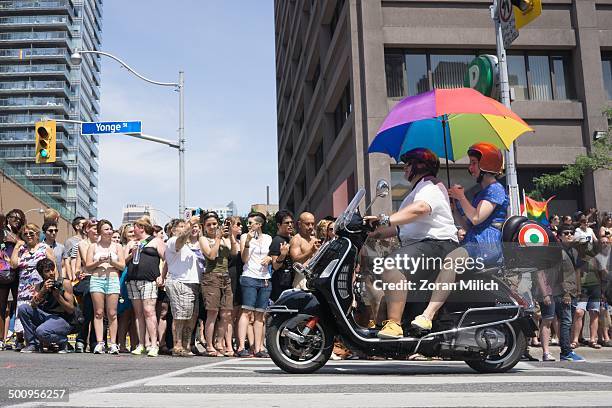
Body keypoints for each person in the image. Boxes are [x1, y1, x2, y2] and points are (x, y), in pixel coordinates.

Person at [366, 148, 458, 339]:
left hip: (438, 244)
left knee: (392, 265)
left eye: (408, 164)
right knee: (384, 298)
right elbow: (399, 229)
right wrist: (370, 231)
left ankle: (394, 325)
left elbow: (421, 209)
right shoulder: (417, 191)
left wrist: (385, 219)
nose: (405, 169)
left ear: (420, 165)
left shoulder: (429, 185)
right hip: (423, 246)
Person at [449, 142, 509, 267]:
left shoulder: (495, 189)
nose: (470, 168)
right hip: (473, 244)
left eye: (474, 163)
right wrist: (455, 209)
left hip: (485, 246)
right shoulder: (482, 193)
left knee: (450, 261)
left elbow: (476, 218)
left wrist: (461, 196)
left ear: (486, 165)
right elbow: (468, 226)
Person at [9, 223, 55, 349]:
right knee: (22, 314)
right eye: (25, 234)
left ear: (37, 234)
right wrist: (17, 247)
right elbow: (13, 265)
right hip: (24, 287)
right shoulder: (22, 250)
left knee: (37, 312)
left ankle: (38, 341)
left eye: (31, 233)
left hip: (40, 286)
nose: (28, 236)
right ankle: (25, 341)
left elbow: (53, 266)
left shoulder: (45, 248)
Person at [125, 216, 166, 357]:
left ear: (142, 228)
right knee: (138, 314)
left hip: (149, 280)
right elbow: (123, 261)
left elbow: (166, 258)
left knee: (149, 311)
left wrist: (162, 275)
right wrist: (131, 253)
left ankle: (154, 344)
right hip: (133, 280)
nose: (133, 229)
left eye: (135, 227)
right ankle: (141, 343)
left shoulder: (156, 241)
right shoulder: (131, 243)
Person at [199, 212, 238, 357]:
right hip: (211, 277)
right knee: (213, 312)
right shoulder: (203, 239)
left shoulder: (224, 238)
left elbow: (234, 253)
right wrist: (217, 238)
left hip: (226, 277)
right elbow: (212, 255)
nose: (212, 226)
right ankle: (209, 345)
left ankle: (219, 343)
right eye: (208, 224)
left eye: (214, 224)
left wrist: (231, 236)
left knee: (227, 313)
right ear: (204, 226)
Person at [161, 217, 201, 357]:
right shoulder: (172, 241)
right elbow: (180, 241)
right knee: (180, 316)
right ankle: (177, 345)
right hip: (180, 282)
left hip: (192, 283)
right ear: (173, 230)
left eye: (186, 226)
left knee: (191, 316)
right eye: (182, 226)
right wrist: (189, 225)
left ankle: (186, 345)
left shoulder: (188, 245)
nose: (185, 228)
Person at [18, 258, 75, 353]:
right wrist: (42, 291)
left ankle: (63, 341)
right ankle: (32, 344)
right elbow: (33, 305)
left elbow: (71, 310)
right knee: (23, 308)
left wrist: (58, 297)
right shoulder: (39, 286)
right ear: (41, 274)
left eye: (52, 269)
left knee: (41, 331)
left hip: (62, 319)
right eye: (47, 271)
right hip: (46, 317)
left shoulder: (65, 283)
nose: (51, 273)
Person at [85, 220, 125, 354]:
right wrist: (98, 261)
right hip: (97, 279)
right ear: (100, 231)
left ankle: (113, 343)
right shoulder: (93, 246)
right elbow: (88, 266)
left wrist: (112, 261)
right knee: (98, 312)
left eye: (111, 229)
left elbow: (122, 266)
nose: (109, 232)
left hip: (113, 278)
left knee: (112, 313)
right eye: (106, 229)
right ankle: (100, 342)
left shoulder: (117, 246)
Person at [236, 212, 272, 358]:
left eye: (251, 223)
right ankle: (240, 347)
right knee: (246, 312)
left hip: (264, 278)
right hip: (249, 277)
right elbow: (244, 259)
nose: (248, 225)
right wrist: (247, 242)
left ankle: (258, 348)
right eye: (248, 223)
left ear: (259, 224)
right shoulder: (245, 237)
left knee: (260, 315)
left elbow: (272, 255)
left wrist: (269, 257)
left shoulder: (268, 238)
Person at [74, 219, 98, 353]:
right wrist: (79, 273)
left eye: (97, 228)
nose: (96, 230)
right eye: (93, 228)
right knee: (89, 306)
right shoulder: (82, 244)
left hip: (101, 278)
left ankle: (95, 340)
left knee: (99, 311)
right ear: (86, 230)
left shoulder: (104, 244)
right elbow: (80, 266)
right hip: (88, 279)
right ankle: (82, 339)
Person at [1, 211, 24, 350]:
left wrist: (16, 241)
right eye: (14, 217)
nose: (17, 220)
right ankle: (0, 339)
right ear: (8, 219)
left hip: (18, 273)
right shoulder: (2, 232)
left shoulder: (22, 234)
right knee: (2, 307)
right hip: (3, 272)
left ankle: (19, 338)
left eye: (20, 219)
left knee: (18, 306)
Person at [289, 212, 320, 289]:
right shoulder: (296, 239)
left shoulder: (315, 240)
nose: (311, 227)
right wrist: (311, 251)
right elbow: (295, 260)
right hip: (302, 280)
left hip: (315, 279)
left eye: (312, 224)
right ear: (299, 224)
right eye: (307, 224)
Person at [269, 210, 294, 302]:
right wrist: (283, 254)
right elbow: (275, 266)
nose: (290, 225)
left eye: (291, 222)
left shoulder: (290, 239)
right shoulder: (277, 241)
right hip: (280, 284)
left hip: (289, 282)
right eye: (287, 223)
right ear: (279, 225)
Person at [63, 217, 85, 282]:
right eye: (83, 223)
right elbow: (66, 260)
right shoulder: (70, 241)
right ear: (77, 226)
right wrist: (71, 277)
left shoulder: (88, 241)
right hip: (75, 277)